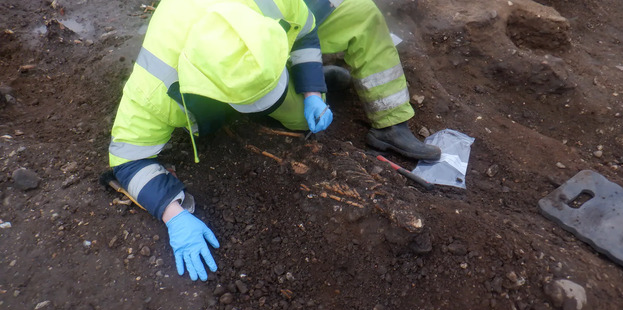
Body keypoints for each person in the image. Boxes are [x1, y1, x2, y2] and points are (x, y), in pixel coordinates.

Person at [108, 0, 441, 282]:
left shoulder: (275, 4)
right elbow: (126, 160)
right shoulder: (154, 89)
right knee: (293, 117)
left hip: (268, 52)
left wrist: (311, 89)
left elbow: (306, 29)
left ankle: (368, 112)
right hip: (192, 78)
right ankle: (278, 96)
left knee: (356, 16)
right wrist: (172, 213)